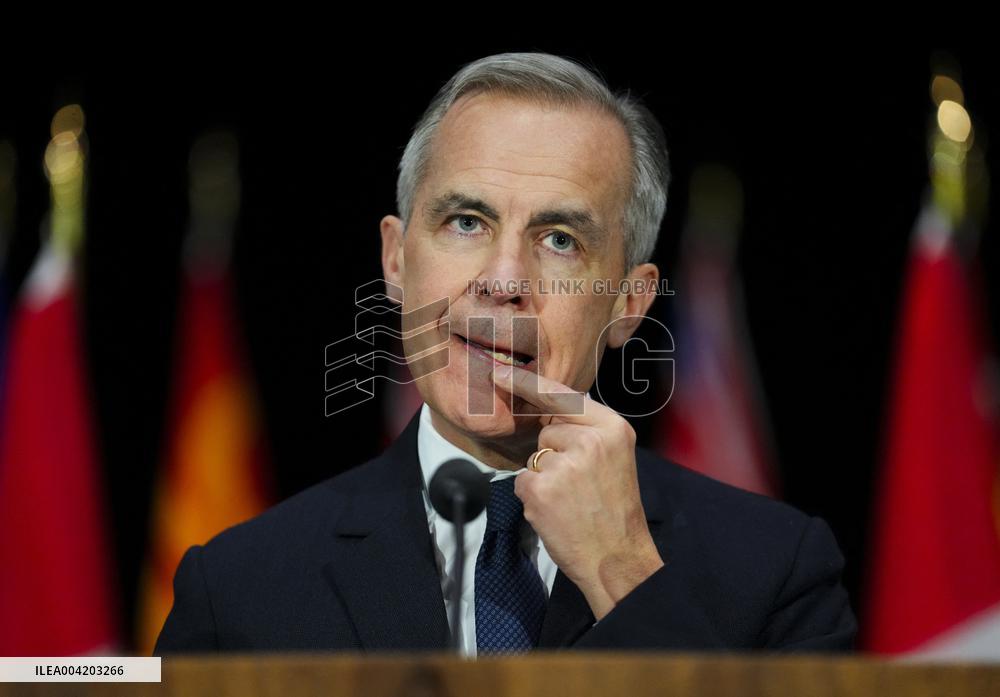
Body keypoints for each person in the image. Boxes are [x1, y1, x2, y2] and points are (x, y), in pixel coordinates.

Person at [154, 52, 857, 655]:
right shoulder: (238, 588)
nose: (504, 280)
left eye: (560, 239)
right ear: (396, 260)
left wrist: (625, 573)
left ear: (629, 303)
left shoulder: (779, 572)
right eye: (466, 222)